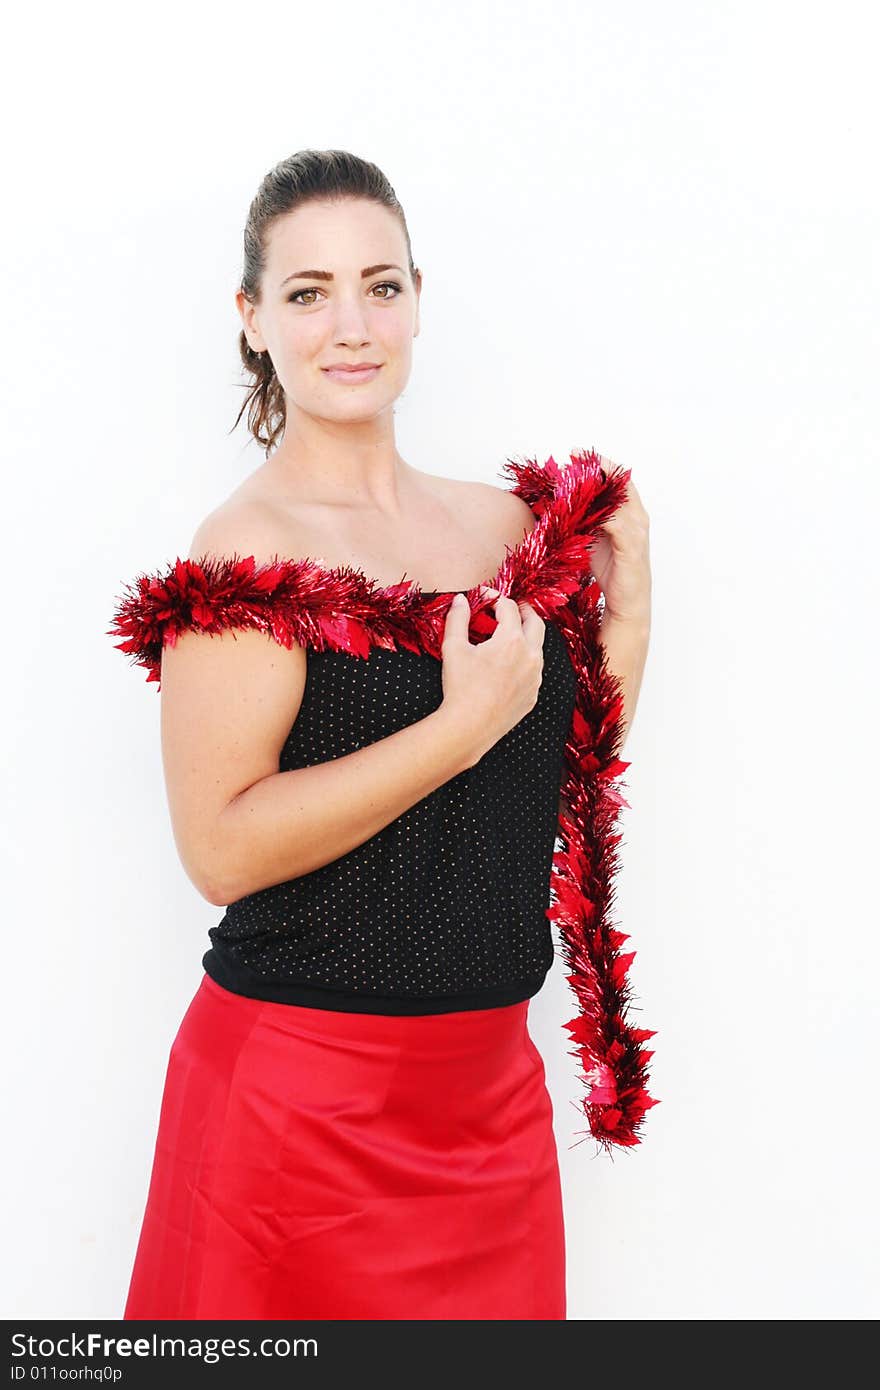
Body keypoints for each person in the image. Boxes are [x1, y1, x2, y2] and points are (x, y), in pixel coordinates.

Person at [109, 148, 656, 1321]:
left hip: (488, 1104)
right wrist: (453, 730)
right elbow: (221, 847)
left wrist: (635, 603)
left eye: (381, 284)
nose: (350, 325)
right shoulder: (242, 558)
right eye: (307, 293)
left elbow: (558, 774)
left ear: (416, 298)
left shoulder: (503, 527)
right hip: (296, 1117)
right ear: (253, 321)